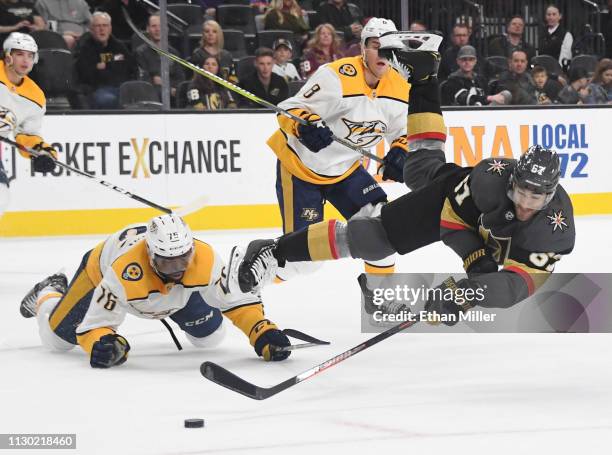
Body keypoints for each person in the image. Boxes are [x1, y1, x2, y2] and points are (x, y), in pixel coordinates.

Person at [226, 76, 575, 323]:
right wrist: (475, 259)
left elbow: (518, 287)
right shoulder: (489, 180)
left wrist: (466, 295)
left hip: (476, 217)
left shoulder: (555, 231)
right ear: (511, 182)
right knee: (376, 233)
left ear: (551, 195)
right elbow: (451, 221)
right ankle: (275, 250)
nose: (527, 203)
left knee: (419, 168)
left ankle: (423, 78)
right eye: (521, 193)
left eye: (536, 197)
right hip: (455, 202)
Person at [238, 18, 419, 290]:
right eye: (375, 46)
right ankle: (246, 281)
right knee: (304, 261)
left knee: (382, 225)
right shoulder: (336, 76)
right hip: (301, 168)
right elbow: (290, 107)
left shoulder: (401, 87)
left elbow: (402, 130)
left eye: (388, 48)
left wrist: (400, 151)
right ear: (362, 48)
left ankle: (380, 295)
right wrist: (305, 127)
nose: (382, 54)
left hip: (345, 169)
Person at [19, 214, 292, 368]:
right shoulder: (123, 272)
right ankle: (50, 292)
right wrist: (104, 342)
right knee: (58, 342)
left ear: (191, 250)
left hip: (176, 297)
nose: (176, 269)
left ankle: (187, 313)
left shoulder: (205, 259)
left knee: (210, 339)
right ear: (150, 254)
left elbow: (237, 300)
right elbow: (96, 325)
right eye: (166, 261)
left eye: (183, 259)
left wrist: (262, 331)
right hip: (98, 272)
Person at [0, 32, 57, 220]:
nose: (25, 60)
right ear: (8, 55)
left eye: (30, 55)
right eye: (19, 54)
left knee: (1, 196)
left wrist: (43, 152)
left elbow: (27, 134)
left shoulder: (35, 97)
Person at [74, 12, 137, 109]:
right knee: (108, 100)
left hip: (121, 88)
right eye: (98, 26)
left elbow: (130, 66)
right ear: (91, 29)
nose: (102, 29)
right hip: (97, 90)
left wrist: (102, 65)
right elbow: (86, 74)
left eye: (105, 25)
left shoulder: (118, 46)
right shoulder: (85, 48)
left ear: (110, 28)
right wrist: (113, 61)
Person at [135, 13, 185, 103]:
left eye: (161, 26)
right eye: (154, 26)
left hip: (172, 95)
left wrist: (165, 84)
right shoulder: (140, 53)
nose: (158, 29)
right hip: (151, 96)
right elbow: (143, 80)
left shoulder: (174, 53)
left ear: (166, 29)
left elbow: (180, 79)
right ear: (148, 29)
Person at [441, 45, 506, 106]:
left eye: (471, 59)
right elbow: (464, 98)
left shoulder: (480, 80)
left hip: (482, 114)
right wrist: (490, 98)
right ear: (458, 61)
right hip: (460, 115)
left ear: (475, 61)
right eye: (464, 59)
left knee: (506, 94)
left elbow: (487, 95)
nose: (467, 62)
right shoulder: (451, 81)